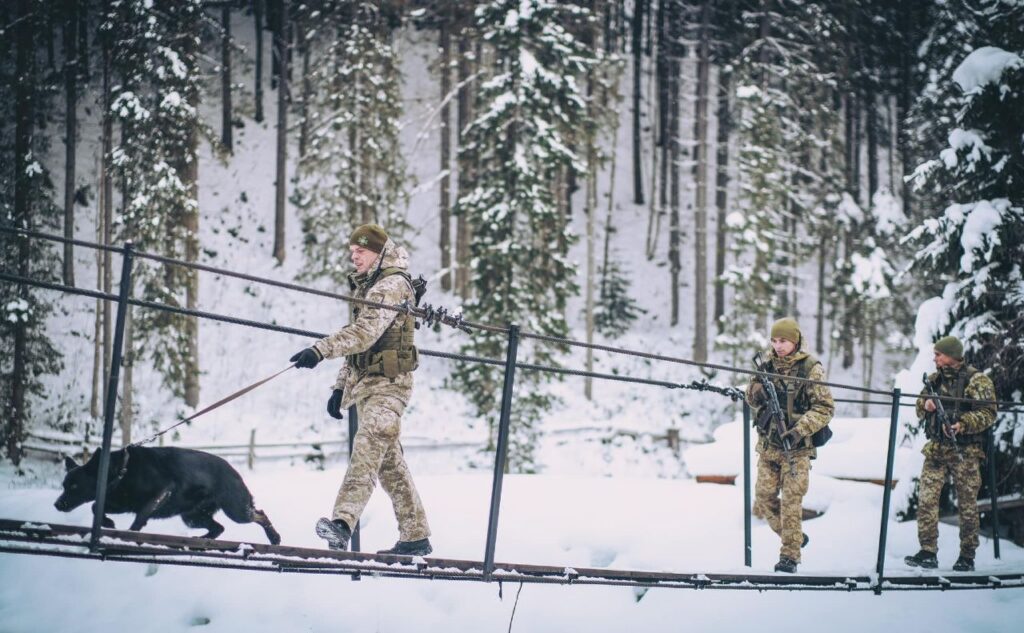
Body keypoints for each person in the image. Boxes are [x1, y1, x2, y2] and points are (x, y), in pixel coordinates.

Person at [289, 224, 431, 557]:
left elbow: (364, 334)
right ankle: (415, 536)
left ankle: (342, 523)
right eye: (352, 252)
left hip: (389, 388)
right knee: (390, 466)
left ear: (379, 252)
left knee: (366, 450)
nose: (354, 257)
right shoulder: (370, 286)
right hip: (369, 387)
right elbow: (360, 345)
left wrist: (321, 350)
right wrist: (340, 387)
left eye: (361, 252)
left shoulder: (392, 285)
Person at [745, 317, 834, 573]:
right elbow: (750, 397)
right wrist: (757, 391)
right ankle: (792, 536)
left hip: (797, 450)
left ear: (794, 340)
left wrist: (799, 431)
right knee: (763, 497)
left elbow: (825, 408)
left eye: (783, 340)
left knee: (791, 501)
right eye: (774, 340)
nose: (778, 345)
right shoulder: (767, 366)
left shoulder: (810, 369)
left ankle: (790, 557)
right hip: (769, 446)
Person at [904, 336, 997, 572]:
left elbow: (989, 412)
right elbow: (918, 406)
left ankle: (967, 556)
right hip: (937, 449)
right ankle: (928, 552)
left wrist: (962, 424)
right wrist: (925, 405)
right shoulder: (934, 380)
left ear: (951, 356)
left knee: (967, 505)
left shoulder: (976, 380)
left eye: (938, 354)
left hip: (965, 451)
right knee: (926, 500)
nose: (934, 358)